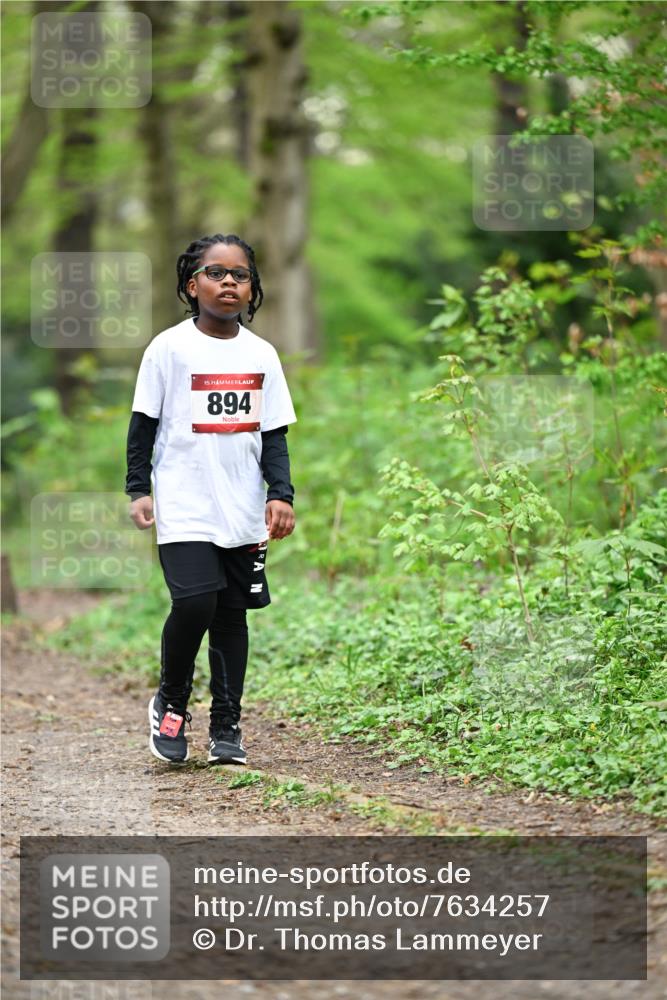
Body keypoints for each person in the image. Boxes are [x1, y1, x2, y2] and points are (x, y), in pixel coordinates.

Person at [125, 233, 297, 766]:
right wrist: (138, 488)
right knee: (195, 602)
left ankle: (226, 727)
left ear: (252, 287)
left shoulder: (261, 354)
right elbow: (143, 425)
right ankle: (171, 704)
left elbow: (273, 434)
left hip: (241, 508)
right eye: (215, 273)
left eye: (240, 275)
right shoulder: (168, 348)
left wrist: (281, 494)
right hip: (184, 503)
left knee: (230, 615)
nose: (228, 282)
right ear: (191, 284)